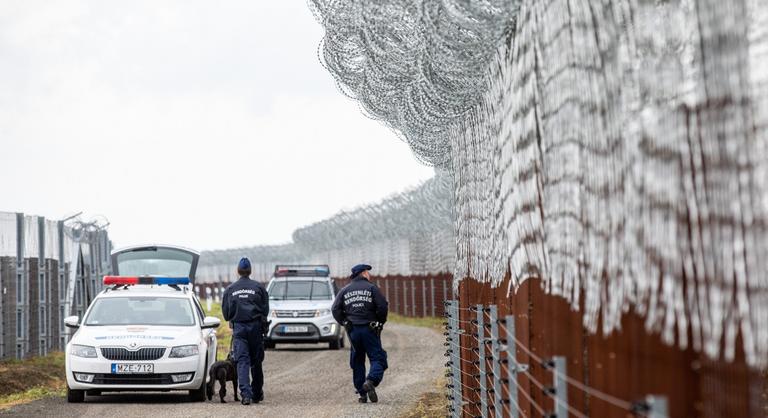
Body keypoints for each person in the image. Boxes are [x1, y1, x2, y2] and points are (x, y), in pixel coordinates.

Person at [331, 264, 389, 403]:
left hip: (353, 330)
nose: (369, 275)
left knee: (357, 360)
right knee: (378, 358)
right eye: (367, 272)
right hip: (370, 328)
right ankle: (370, 381)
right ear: (363, 273)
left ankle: (362, 393)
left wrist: (344, 322)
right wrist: (380, 322)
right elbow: (382, 306)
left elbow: (335, 309)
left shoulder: (345, 290)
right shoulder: (372, 288)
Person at [222, 257, 269, 405]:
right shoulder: (259, 288)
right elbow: (265, 310)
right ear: (250, 271)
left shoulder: (230, 289)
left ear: (238, 271)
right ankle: (256, 393)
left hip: (239, 329)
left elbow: (226, 314)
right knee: (256, 362)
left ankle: (246, 395)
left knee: (242, 361)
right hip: (256, 328)